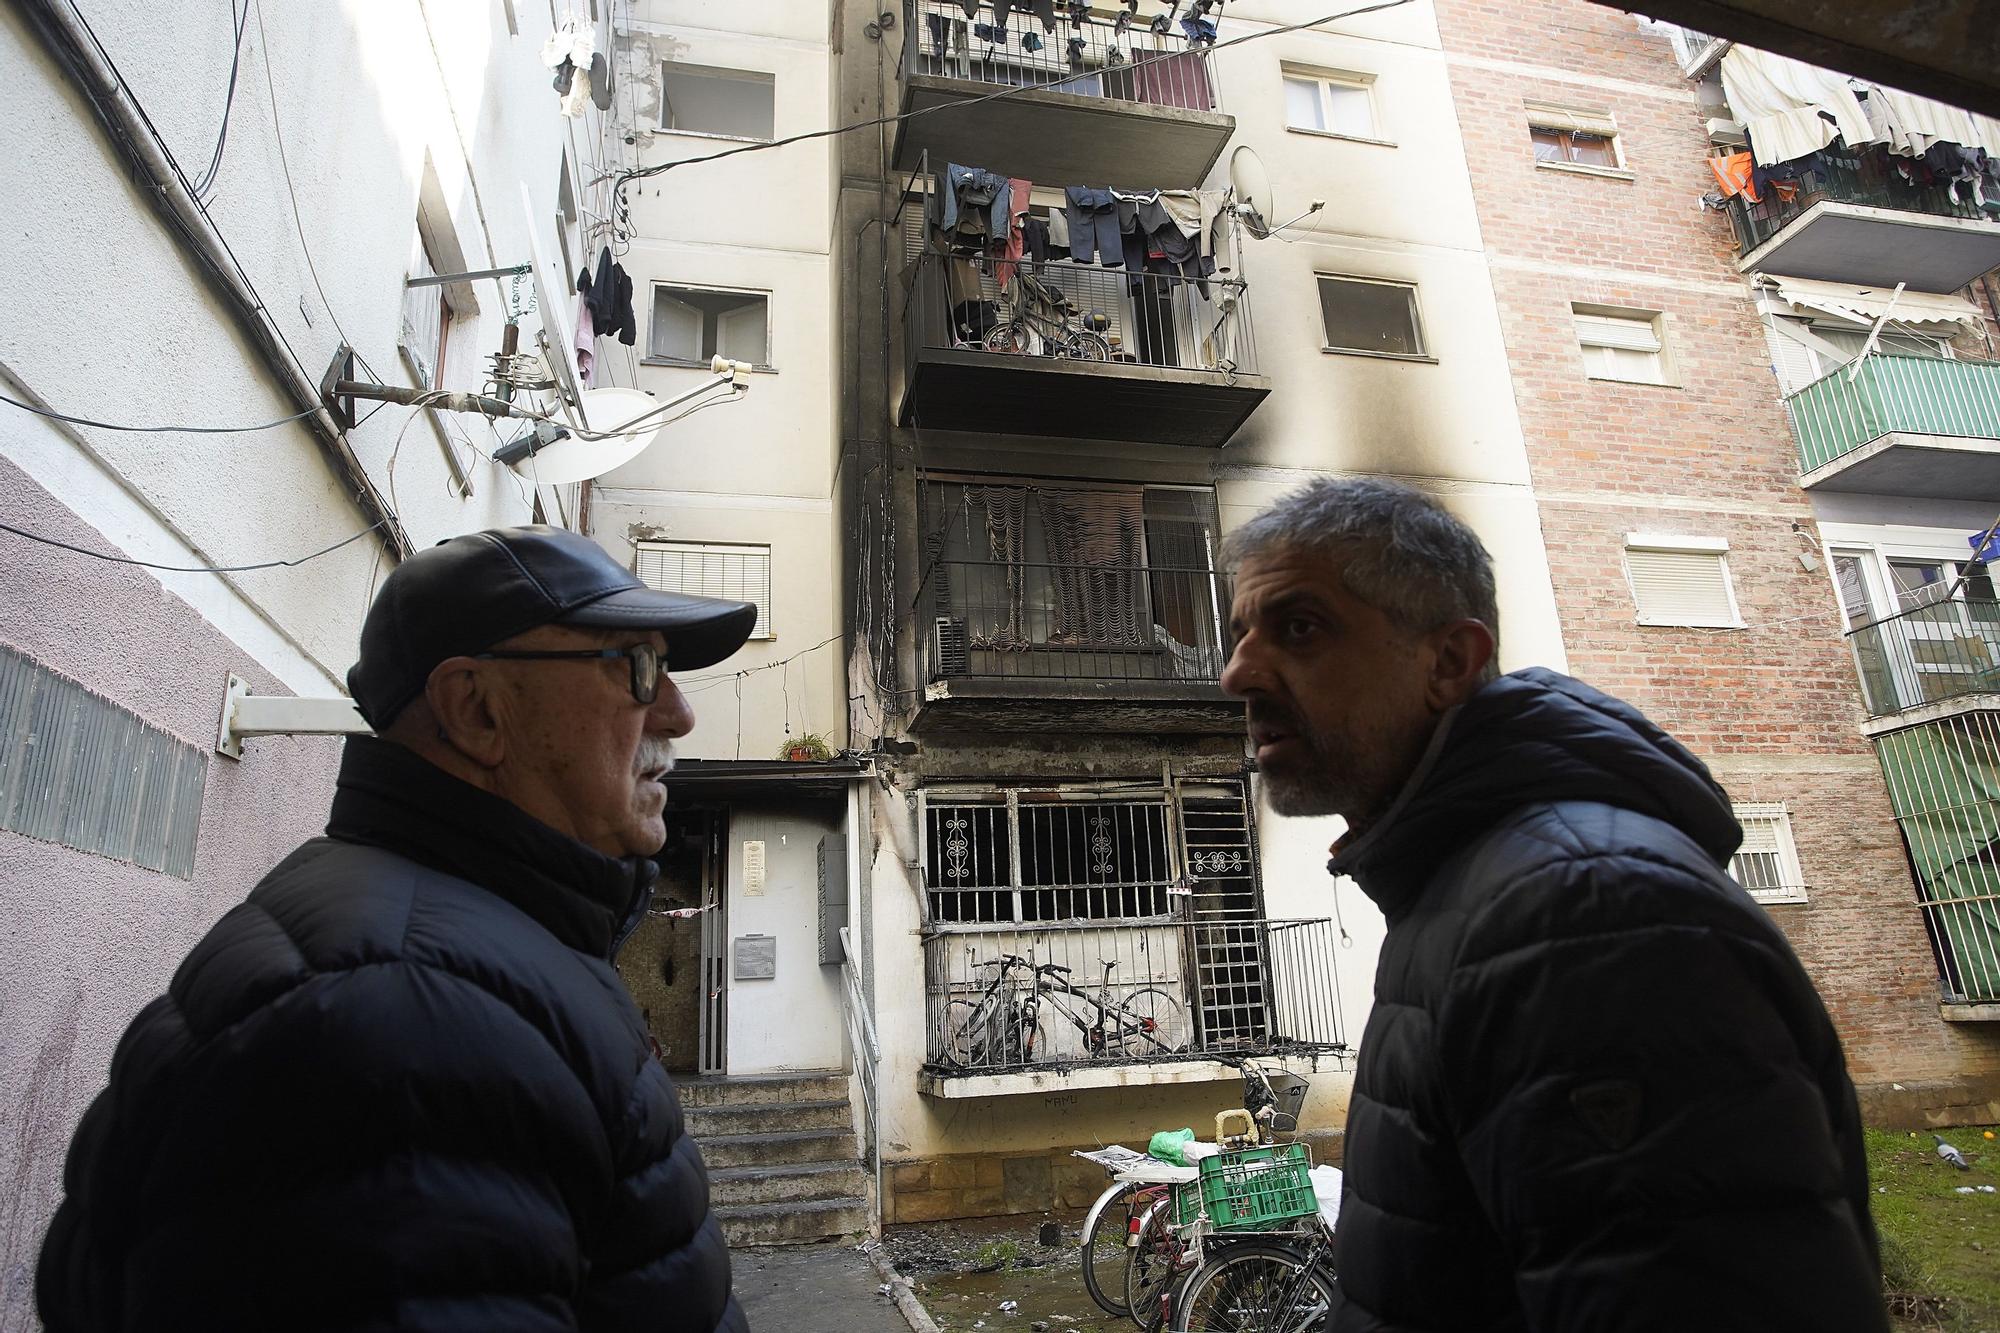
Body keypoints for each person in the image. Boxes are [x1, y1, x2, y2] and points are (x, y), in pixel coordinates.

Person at [38, 526, 757, 1333]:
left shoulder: (445, 961)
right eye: (638, 666)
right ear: (477, 707)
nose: (680, 712)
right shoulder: (414, 1022)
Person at [1218, 479, 1885, 1331]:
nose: (1237, 672)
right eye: (1241, 634)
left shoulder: (1583, 917)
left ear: (1449, 662)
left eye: (1299, 628)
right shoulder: (1467, 893)